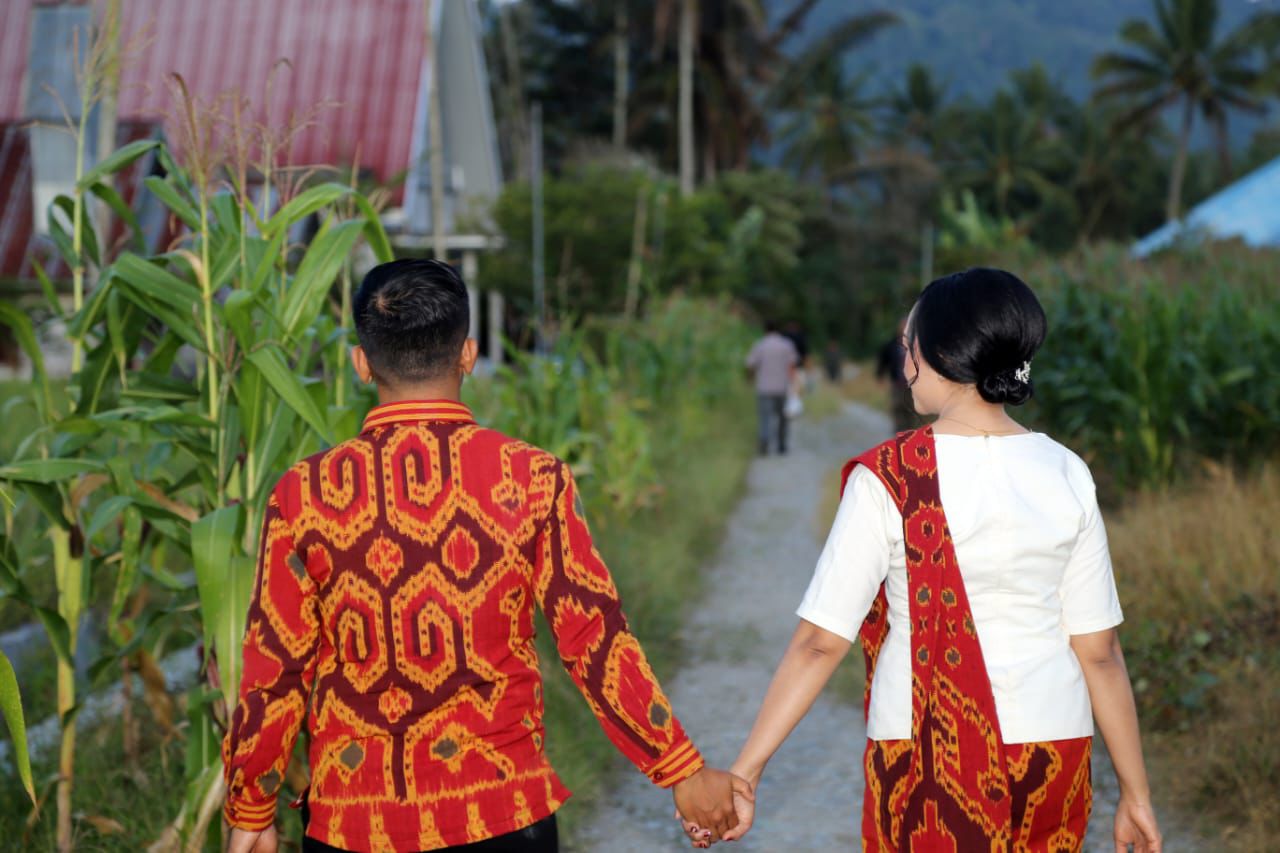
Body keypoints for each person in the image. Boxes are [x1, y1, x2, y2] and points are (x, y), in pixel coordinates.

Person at [223, 259, 749, 853]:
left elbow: (274, 667)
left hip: (354, 824)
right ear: (469, 355)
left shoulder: (302, 493)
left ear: (361, 362)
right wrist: (680, 769)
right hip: (503, 815)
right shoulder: (531, 478)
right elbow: (592, 638)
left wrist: (251, 809)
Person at [696, 268, 1163, 852]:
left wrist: (746, 770)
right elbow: (1100, 653)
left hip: (926, 748)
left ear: (938, 354)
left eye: (907, 345)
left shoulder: (889, 476)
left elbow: (819, 644)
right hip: (1054, 746)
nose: (904, 362)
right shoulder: (1068, 471)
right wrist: (1136, 795)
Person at [745, 320, 799, 455]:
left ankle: (764, 442)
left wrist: (750, 378)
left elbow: (750, 364)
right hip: (782, 387)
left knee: (765, 418)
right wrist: (793, 383)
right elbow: (792, 365)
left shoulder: (760, 345)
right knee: (783, 418)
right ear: (778, 330)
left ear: (765, 330)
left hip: (764, 388)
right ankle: (781, 444)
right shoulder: (786, 345)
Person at [875, 316, 917, 433]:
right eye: (903, 325)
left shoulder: (916, 345)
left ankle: (910, 434)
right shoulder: (892, 345)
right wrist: (880, 375)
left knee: (911, 411)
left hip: (913, 385)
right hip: (897, 384)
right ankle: (899, 433)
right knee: (897, 408)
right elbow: (883, 361)